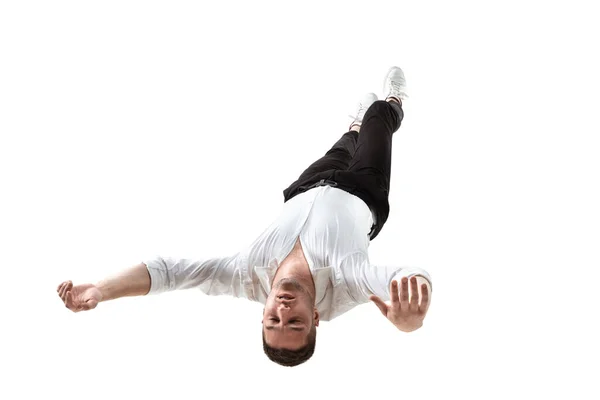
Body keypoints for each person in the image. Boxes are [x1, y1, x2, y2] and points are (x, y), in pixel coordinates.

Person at [56, 66, 433, 367]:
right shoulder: (347, 284)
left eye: (273, 321)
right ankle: (393, 102)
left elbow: (169, 272)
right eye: (295, 322)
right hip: (364, 188)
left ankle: (354, 126)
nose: (283, 312)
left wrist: (101, 291)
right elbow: (407, 280)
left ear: (264, 315)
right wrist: (410, 320)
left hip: (305, 186)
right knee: (379, 121)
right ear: (315, 319)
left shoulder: (243, 276)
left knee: (346, 139)